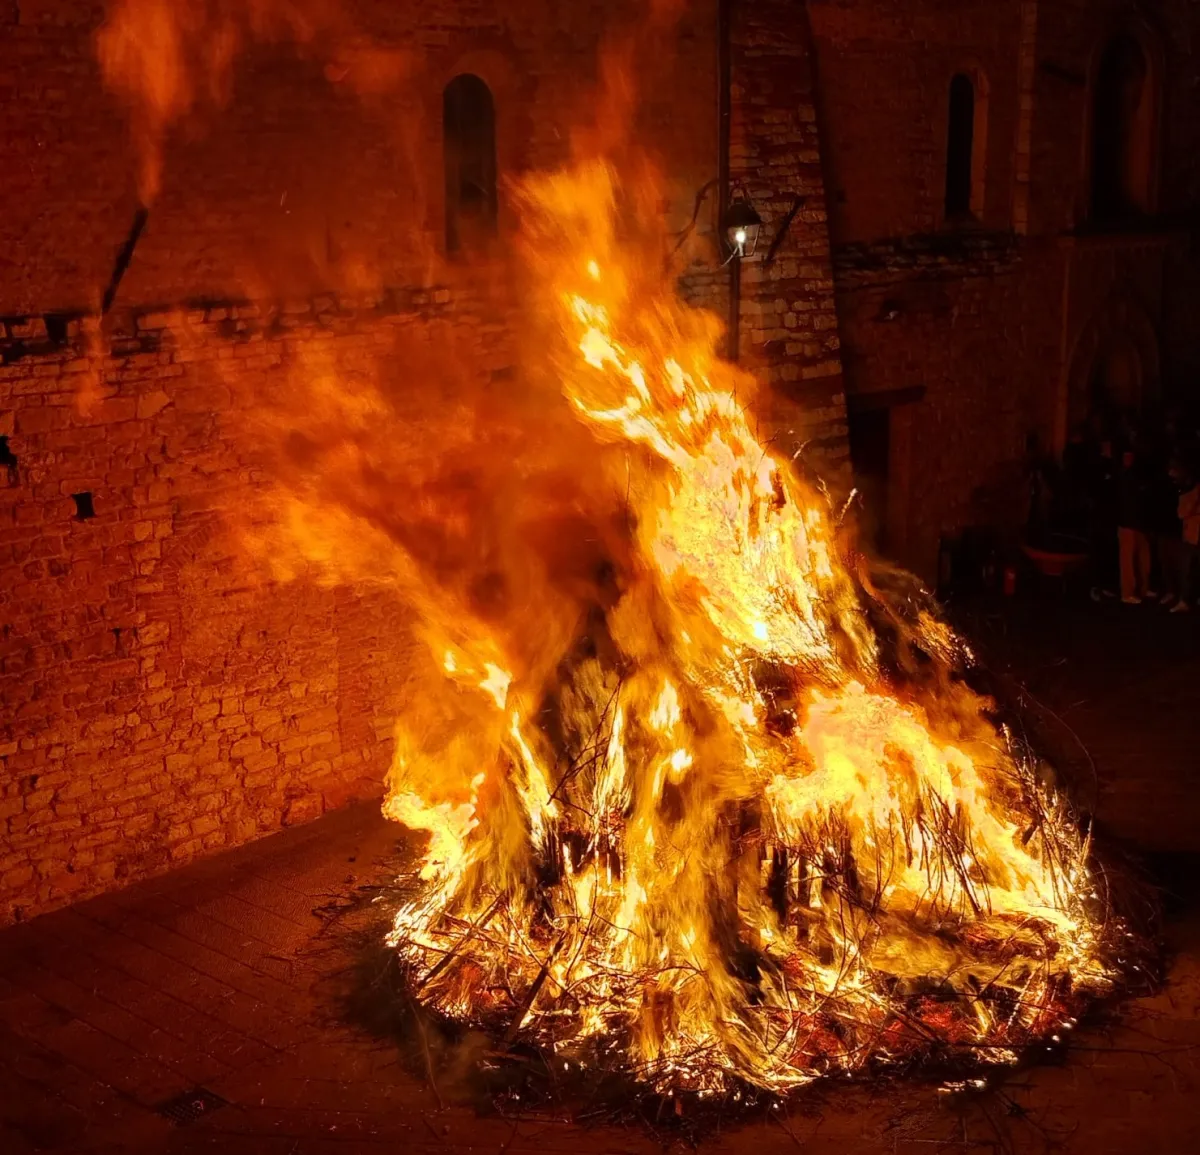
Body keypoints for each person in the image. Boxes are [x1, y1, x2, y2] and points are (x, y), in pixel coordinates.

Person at [1116, 446, 1154, 603]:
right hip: (1127, 522)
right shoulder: (1123, 477)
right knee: (1128, 559)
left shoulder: (1135, 476)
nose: (1128, 459)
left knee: (1142, 557)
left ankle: (1142, 588)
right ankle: (1128, 592)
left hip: (1138, 522)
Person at [1173, 466, 1200, 613]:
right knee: (1188, 570)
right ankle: (1185, 600)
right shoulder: (1189, 493)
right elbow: (1182, 513)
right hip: (1192, 537)